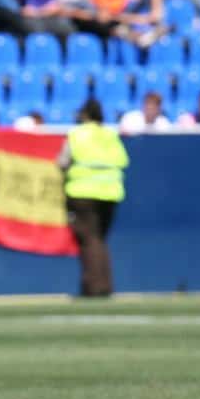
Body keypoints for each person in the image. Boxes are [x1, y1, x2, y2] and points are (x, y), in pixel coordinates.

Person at [57, 99, 129, 297]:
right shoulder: (110, 134)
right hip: (110, 193)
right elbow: (122, 159)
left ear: (85, 114)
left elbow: (63, 161)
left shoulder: (77, 134)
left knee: (88, 240)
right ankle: (105, 285)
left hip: (83, 193)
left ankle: (94, 288)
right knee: (99, 239)